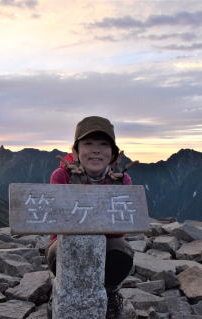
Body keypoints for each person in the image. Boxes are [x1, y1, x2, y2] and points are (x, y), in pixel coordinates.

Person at [45, 116, 136, 319]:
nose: (96, 150)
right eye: (88, 143)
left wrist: (113, 190)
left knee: (122, 254)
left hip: (108, 244)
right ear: (76, 151)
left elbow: (118, 231)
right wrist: (77, 185)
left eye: (104, 145)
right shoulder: (61, 176)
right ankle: (59, 292)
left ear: (113, 154)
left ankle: (110, 293)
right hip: (65, 243)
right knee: (63, 254)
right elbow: (60, 222)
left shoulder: (121, 180)